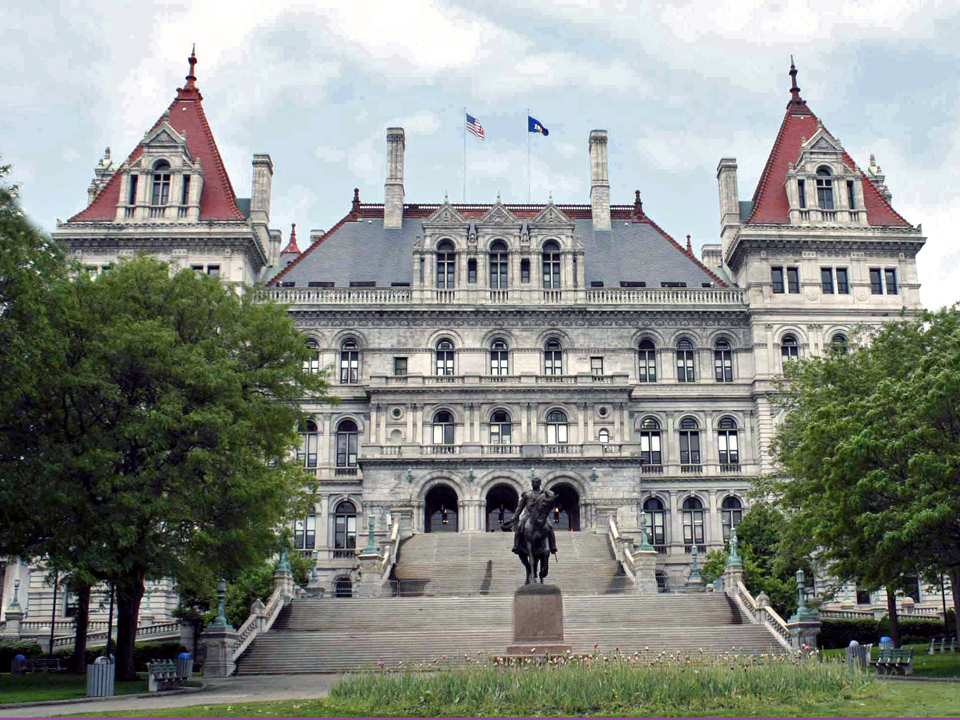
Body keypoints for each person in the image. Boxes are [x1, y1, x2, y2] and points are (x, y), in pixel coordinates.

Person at [505, 476, 558, 555]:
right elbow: (519, 508)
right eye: (533, 482)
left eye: (536, 482)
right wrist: (513, 519)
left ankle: (553, 546)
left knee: (550, 526)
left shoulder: (544, 494)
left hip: (541, 516)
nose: (534, 483)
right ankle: (516, 545)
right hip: (528, 514)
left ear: (540, 483)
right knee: (519, 526)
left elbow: (552, 495)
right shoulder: (527, 494)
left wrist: (546, 491)